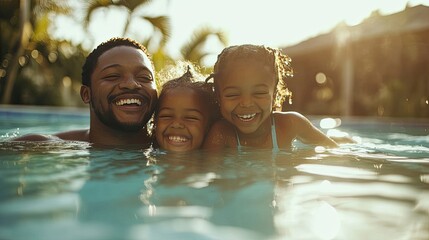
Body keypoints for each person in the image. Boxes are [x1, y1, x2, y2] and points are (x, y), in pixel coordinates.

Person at [11, 37, 158, 148]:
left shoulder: (176, 145)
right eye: (113, 76)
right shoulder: (38, 147)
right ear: (86, 94)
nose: (131, 84)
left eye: (144, 77)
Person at [203, 44, 339, 151]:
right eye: (233, 94)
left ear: (274, 94)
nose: (246, 103)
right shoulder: (221, 135)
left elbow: (333, 150)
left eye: (259, 93)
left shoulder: (290, 125)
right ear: (218, 97)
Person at [153, 63, 219, 152]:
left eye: (190, 118)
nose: (176, 124)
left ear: (209, 127)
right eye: (166, 116)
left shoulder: (215, 161)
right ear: (154, 123)